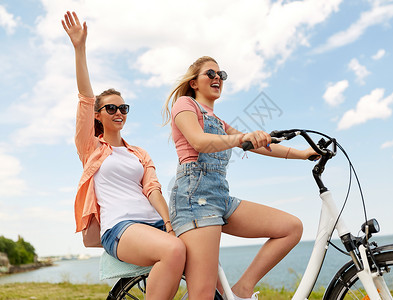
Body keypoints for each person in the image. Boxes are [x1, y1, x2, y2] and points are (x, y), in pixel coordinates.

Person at [163, 56, 320, 300]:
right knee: (203, 294)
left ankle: (242, 289)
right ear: (194, 82)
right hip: (195, 199)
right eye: (211, 74)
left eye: (221, 75)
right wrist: (241, 139)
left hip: (219, 196)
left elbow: (259, 146)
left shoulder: (219, 122)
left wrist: (303, 154)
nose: (218, 78)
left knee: (291, 228)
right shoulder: (185, 104)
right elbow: (199, 141)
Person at [62, 11, 185, 300]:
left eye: (123, 108)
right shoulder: (91, 148)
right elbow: (85, 98)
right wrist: (80, 49)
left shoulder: (138, 153)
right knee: (174, 250)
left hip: (153, 222)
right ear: (99, 115)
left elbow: (152, 189)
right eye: (112, 108)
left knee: (203, 250)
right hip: (120, 227)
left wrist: (169, 224)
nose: (119, 112)